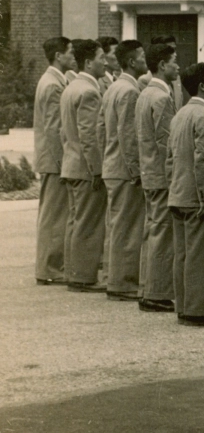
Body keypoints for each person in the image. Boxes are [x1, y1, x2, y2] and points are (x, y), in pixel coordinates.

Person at [168, 63, 204, 326]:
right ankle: (199, 310)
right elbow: (202, 160)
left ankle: (184, 307)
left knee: (183, 254)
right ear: (203, 86)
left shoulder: (180, 114)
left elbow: (170, 159)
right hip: (198, 196)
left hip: (179, 194)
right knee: (203, 256)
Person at [60, 39, 109, 293]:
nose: (106, 62)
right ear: (89, 62)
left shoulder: (71, 87)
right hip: (85, 167)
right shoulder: (89, 91)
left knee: (76, 221)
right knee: (88, 223)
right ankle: (83, 277)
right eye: (102, 58)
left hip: (72, 164)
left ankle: (74, 272)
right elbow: (90, 137)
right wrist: (97, 170)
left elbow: (64, 132)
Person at [100, 40, 147, 301]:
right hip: (123, 168)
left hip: (113, 165)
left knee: (117, 225)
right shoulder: (129, 90)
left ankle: (114, 277)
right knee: (127, 227)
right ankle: (123, 283)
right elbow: (129, 136)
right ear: (131, 61)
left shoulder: (114, 87)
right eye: (141, 56)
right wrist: (135, 170)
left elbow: (102, 128)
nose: (144, 60)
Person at [136, 41, 180, 313]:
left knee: (153, 231)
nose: (178, 65)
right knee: (163, 234)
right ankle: (156, 292)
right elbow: (166, 143)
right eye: (174, 61)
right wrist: (175, 176)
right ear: (162, 66)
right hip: (162, 176)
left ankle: (147, 287)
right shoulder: (161, 97)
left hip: (149, 172)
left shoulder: (145, 93)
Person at [34, 37, 75, 286]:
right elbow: (53, 129)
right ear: (59, 56)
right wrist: (63, 163)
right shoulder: (52, 84)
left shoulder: (55, 80)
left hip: (52, 159)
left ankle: (50, 266)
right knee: (53, 215)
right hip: (53, 160)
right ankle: (48, 268)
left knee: (54, 214)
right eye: (70, 52)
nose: (73, 56)